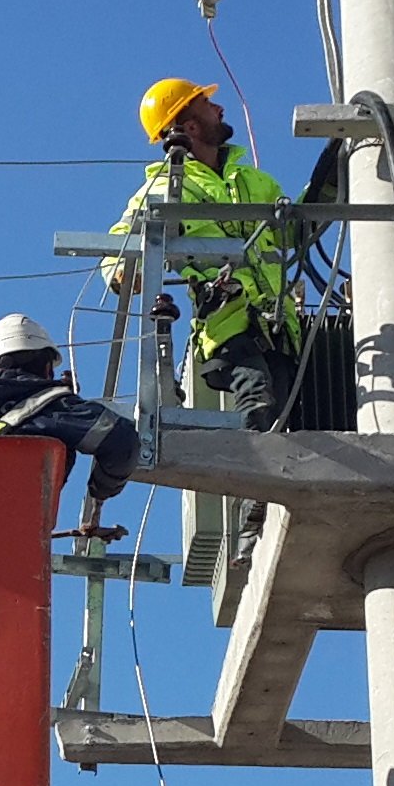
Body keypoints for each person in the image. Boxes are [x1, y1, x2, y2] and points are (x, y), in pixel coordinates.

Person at [108, 78, 303, 555]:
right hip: (227, 324)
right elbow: (126, 238)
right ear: (190, 123)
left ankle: (272, 504)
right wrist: (123, 271)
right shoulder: (167, 184)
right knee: (256, 399)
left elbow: (297, 231)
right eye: (207, 105)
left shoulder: (252, 179)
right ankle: (253, 510)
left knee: (284, 412)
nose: (219, 108)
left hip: (278, 322)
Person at [0, 313, 139, 511]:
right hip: (17, 525)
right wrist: (100, 490)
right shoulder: (53, 406)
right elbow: (121, 440)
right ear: (46, 366)